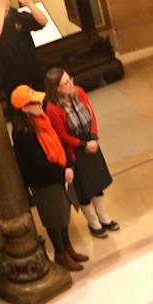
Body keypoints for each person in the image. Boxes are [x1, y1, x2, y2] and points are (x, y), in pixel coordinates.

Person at [10, 85, 86, 272]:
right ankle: (60, 253)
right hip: (45, 182)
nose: (40, 104)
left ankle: (68, 248)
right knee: (54, 219)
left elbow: (57, 143)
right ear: (24, 108)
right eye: (34, 102)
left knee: (64, 214)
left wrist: (67, 164)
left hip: (58, 175)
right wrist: (62, 172)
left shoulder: (42, 120)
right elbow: (36, 163)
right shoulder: (24, 132)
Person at [46, 67, 116, 237]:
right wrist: (84, 145)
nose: (71, 83)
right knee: (84, 190)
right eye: (66, 83)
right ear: (57, 89)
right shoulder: (53, 109)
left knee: (98, 184)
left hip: (90, 141)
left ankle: (103, 217)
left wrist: (93, 137)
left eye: (70, 79)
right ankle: (93, 223)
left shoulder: (79, 92)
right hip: (75, 151)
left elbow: (91, 114)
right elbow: (62, 135)